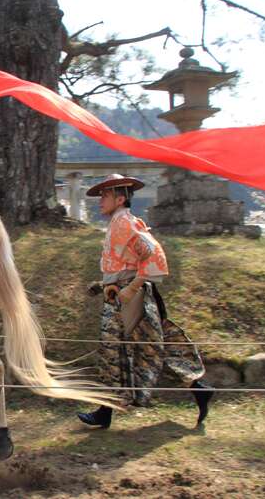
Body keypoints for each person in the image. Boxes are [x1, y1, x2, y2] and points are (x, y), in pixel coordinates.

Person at [76, 174, 214, 429]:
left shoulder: (124, 224)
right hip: (121, 295)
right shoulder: (120, 223)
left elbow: (155, 257)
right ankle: (199, 389)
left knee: (114, 351)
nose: (100, 201)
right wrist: (103, 284)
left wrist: (131, 288)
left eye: (105, 196)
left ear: (120, 199)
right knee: (149, 346)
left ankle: (105, 412)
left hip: (128, 299)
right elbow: (126, 263)